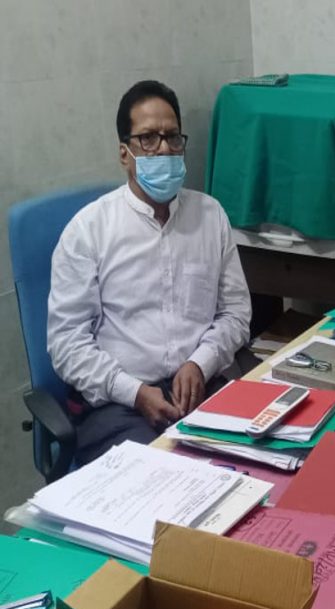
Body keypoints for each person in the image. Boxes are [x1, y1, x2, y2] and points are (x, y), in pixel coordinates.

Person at [47, 80, 252, 465]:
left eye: (172, 137)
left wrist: (201, 362)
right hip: (121, 404)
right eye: (148, 138)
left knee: (262, 466)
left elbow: (236, 312)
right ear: (124, 153)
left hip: (203, 386)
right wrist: (135, 392)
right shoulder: (88, 230)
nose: (164, 148)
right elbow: (67, 344)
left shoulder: (210, 216)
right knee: (168, 481)